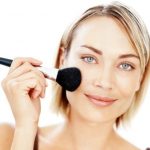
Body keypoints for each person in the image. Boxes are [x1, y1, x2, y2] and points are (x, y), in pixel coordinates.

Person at [0, 1, 149, 150]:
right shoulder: (8, 138)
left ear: (140, 78)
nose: (104, 82)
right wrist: (25, 128)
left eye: (125, 65)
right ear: (62, 60)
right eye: (89, 59)